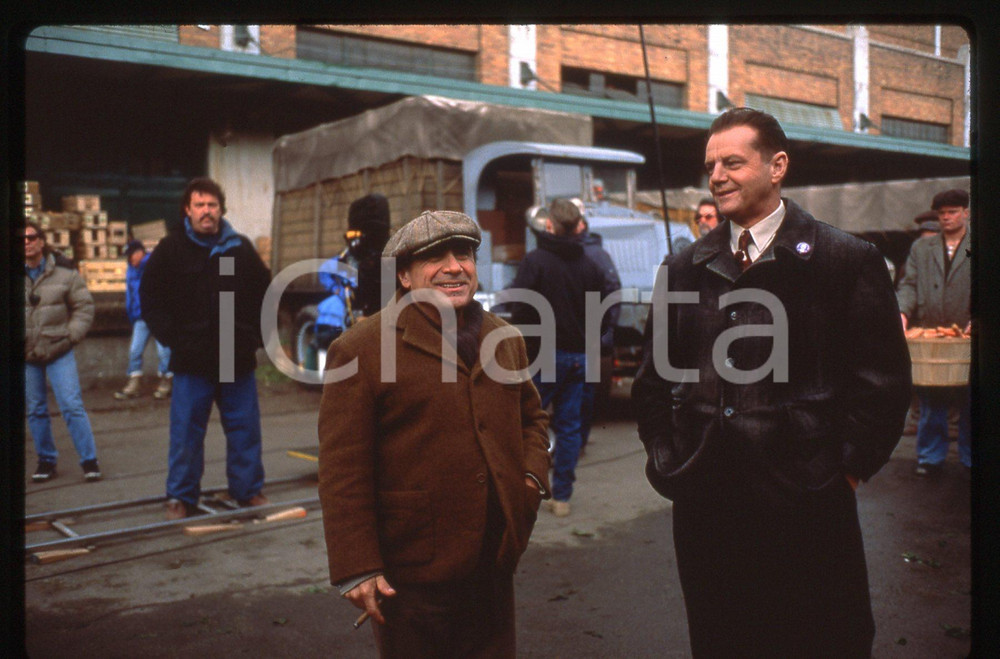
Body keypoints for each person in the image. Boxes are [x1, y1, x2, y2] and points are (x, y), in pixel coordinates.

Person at [631, 107, 911, 658]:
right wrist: (669, 459)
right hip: (707, 506)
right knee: (722, 640)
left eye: (733, 162)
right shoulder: (683, 267)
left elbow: (882, 384)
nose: (716, 176)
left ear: (777, 165)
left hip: (807, 504)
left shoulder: (845, 260)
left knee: (821, 639)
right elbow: (652, 381)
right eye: (711, 164)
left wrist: (844, 473)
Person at [317, 210, 550, 658]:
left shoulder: (505, 338)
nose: (453, 266)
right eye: (433, 258)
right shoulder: (361, 349)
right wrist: (357, 567)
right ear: (404, 275)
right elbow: (342, 468)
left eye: (463, 254)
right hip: (411, 571)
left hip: (493, 563)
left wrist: (530, 484)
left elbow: (533, 420)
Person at [140, 178, 272, 520]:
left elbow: (265, 295)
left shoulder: (238, 248)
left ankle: (248, 490)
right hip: (192, 357)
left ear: (221, 210)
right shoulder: (171, 250)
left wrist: (253, 336)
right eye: (199, 205)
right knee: (186, 431)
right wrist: (173, 338)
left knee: (244, 428)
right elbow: (150, 299)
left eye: (212, 205)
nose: (206, 212)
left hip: (234, 356)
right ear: (188, 209)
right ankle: (180, 496)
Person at [507, 198, 606, 517]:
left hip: (542, 356)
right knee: (569, 428)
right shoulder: (590, 266)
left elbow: (519, 308)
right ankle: (561, 497)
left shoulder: (535, 261)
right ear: (578, 227)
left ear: (549, 224)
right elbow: (600, 315)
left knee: (524, 424)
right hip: (578, 357)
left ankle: (524, 489)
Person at [897, 188, 972, 477]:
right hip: (931, 336)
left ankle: (970, 458)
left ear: (966, 213)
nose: (947, 218)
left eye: (953, 212)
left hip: (968, 337)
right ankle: (929, 457)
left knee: (971, 401)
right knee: (930, 400)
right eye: (942, 214)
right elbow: (909, 285)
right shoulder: (921, 248)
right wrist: (902, 313)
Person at [23, 220, 102, 483]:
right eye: (21, 239)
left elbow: (84, 307)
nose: (26, 242)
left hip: (59, 349)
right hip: (27, 353)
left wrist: (70, 336)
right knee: (35, 409)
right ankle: (46, 460)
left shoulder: (65, 273)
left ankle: (89, 460)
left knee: (71, 405)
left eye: (31, 237)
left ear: (42, 241)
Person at [574, 208, 621, 455]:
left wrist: (604, 331)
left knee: (581, 389)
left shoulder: (594, 255)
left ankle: (576, 440)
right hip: (571, 335)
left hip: (585, 337)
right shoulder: (563, 254)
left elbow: (613, 290)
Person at [114, 240, 173, 400]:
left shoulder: (156, 264)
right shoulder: (131, 270)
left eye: (131, 254)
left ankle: (167, 381)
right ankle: (134, 383)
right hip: (141, 316)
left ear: (140, 252)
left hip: (158, 315)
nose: (129, 259)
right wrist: (132, 314)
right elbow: (130, 295)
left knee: (164, 351)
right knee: (135, 350)